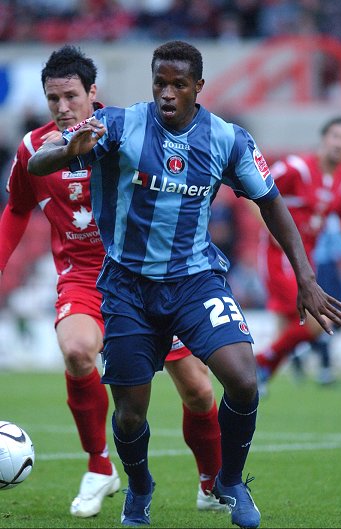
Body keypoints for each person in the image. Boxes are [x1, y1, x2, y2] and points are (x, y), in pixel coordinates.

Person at [28, 40, 341, 528]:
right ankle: (139, 488)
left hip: (195, 283)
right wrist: (66, 148)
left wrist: (306, 277)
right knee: (131, 414)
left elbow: (271, 201)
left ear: (199, 87)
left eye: (179, 85)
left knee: (242, 381)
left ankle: (230, 481)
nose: (167, 94)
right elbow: (37, 165)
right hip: (127, 288)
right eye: (160, 83)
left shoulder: (228, 139)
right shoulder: (117, 124)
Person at [0, 45, 226, 518]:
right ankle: (101, 466)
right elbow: (18, 208)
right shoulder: (33, 149)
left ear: (93, 93)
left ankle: (211, 482)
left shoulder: (127, 130)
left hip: (143, 275)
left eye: (71, 97)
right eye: (53, 99)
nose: (63, 108)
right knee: (78, 350)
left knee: (199, 391)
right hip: (83, 277)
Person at [253, 116, 341, 396]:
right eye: (334, 135)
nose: (338, 143)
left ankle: (260, 373)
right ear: (323, 138)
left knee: (293, 325)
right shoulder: (296, 168)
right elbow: (254, 191)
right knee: (316, 320)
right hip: (279, 255)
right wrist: (271, 232)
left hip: (305, 260)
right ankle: (258, 365)